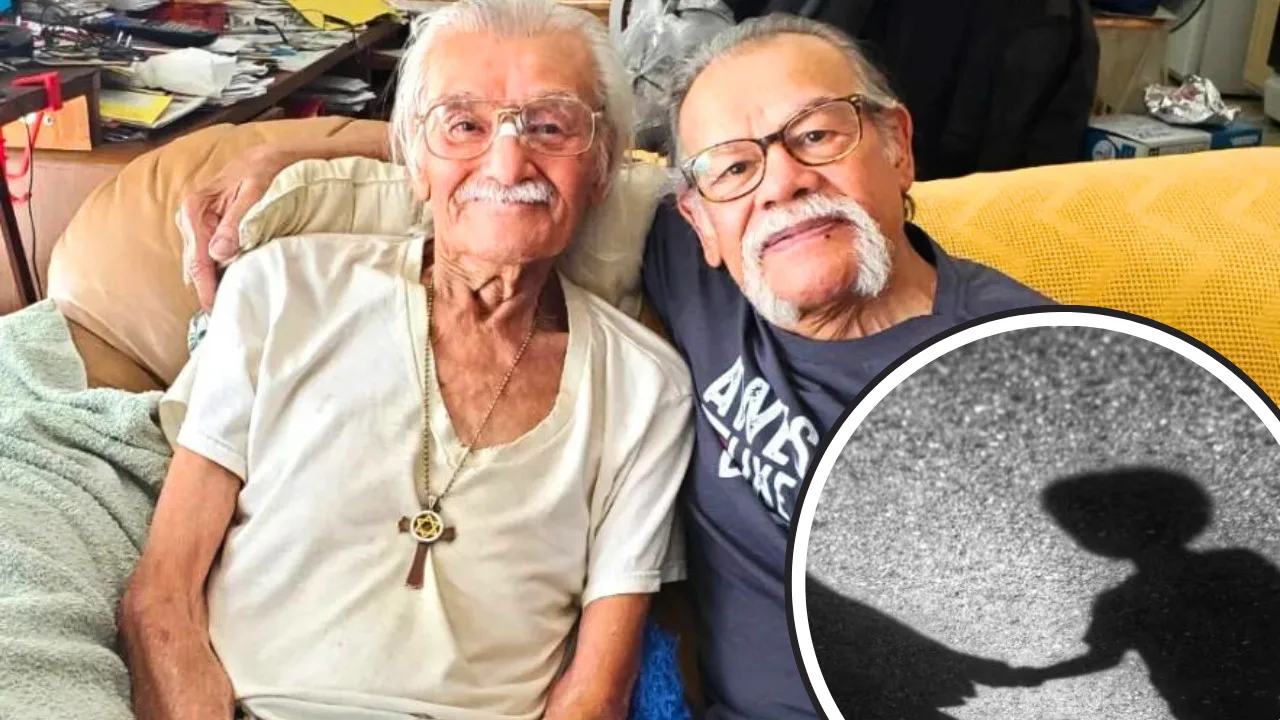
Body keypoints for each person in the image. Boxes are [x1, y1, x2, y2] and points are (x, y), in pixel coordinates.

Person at [180, 12, 1052, 719]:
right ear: (698, 217)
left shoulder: (1039, 370)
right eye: (736, 166)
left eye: (818, 135)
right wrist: (294, 148)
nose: (781, 184)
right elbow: (517, 165)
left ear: (897, 144)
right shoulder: (706, 252)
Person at [118, 2, 694, 720]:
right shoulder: (285, 289)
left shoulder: (645, 389)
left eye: (550, 126)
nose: (507, 161)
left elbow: (595, 692)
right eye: (465, 125)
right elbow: (161, 593)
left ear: (602, 166)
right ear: (416, 163)